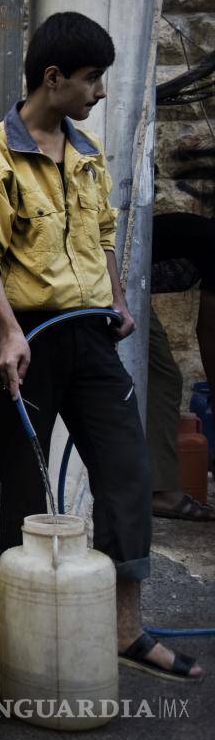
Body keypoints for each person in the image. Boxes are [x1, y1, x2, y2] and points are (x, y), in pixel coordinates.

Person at [0, 11, 202, 680]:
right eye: (93, 79)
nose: (102, 92)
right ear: (53, 78)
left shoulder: (87, 156)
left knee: (128, 475)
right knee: (28, 494)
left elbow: (105, 236)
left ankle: (125, 631)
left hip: (91, 338)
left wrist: (117, 300)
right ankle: (24, 642)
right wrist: (5, 330)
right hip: (25, 340)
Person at [147, 212, 215, 520]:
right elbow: (208, 329)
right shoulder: (210, 240)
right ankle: (160, 492)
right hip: (108, 279)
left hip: (116, 279)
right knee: (163, 378)